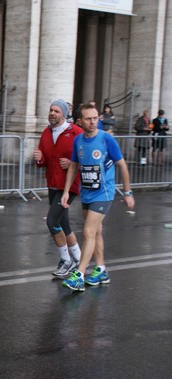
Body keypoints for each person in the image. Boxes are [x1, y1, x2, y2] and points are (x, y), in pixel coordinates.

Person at [61, 104, 135, 292]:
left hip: (104, 193)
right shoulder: (78, 141)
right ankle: (101, 269)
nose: (93, 122)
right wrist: (66, 191)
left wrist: (127, 193)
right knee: (96, 232)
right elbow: (73, 167)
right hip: (87, 192)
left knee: (88, 232)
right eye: (88, 118)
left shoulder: (106, 139)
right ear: (80, 121)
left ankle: (79, 275)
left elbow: (123, 166)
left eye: (95, 118)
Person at [33, 99, 83, 277]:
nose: (52, 113)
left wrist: (72, 163)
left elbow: (85, 160)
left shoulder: (76, 132)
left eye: (56, 111)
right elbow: (45, 160)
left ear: (64, 114)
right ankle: (79, 258)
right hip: (52, 183)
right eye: (51, 110)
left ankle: (66, 260)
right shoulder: (46, 133)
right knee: (63, 223)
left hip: (69, 185)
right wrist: (39, 159)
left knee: (52, 221)